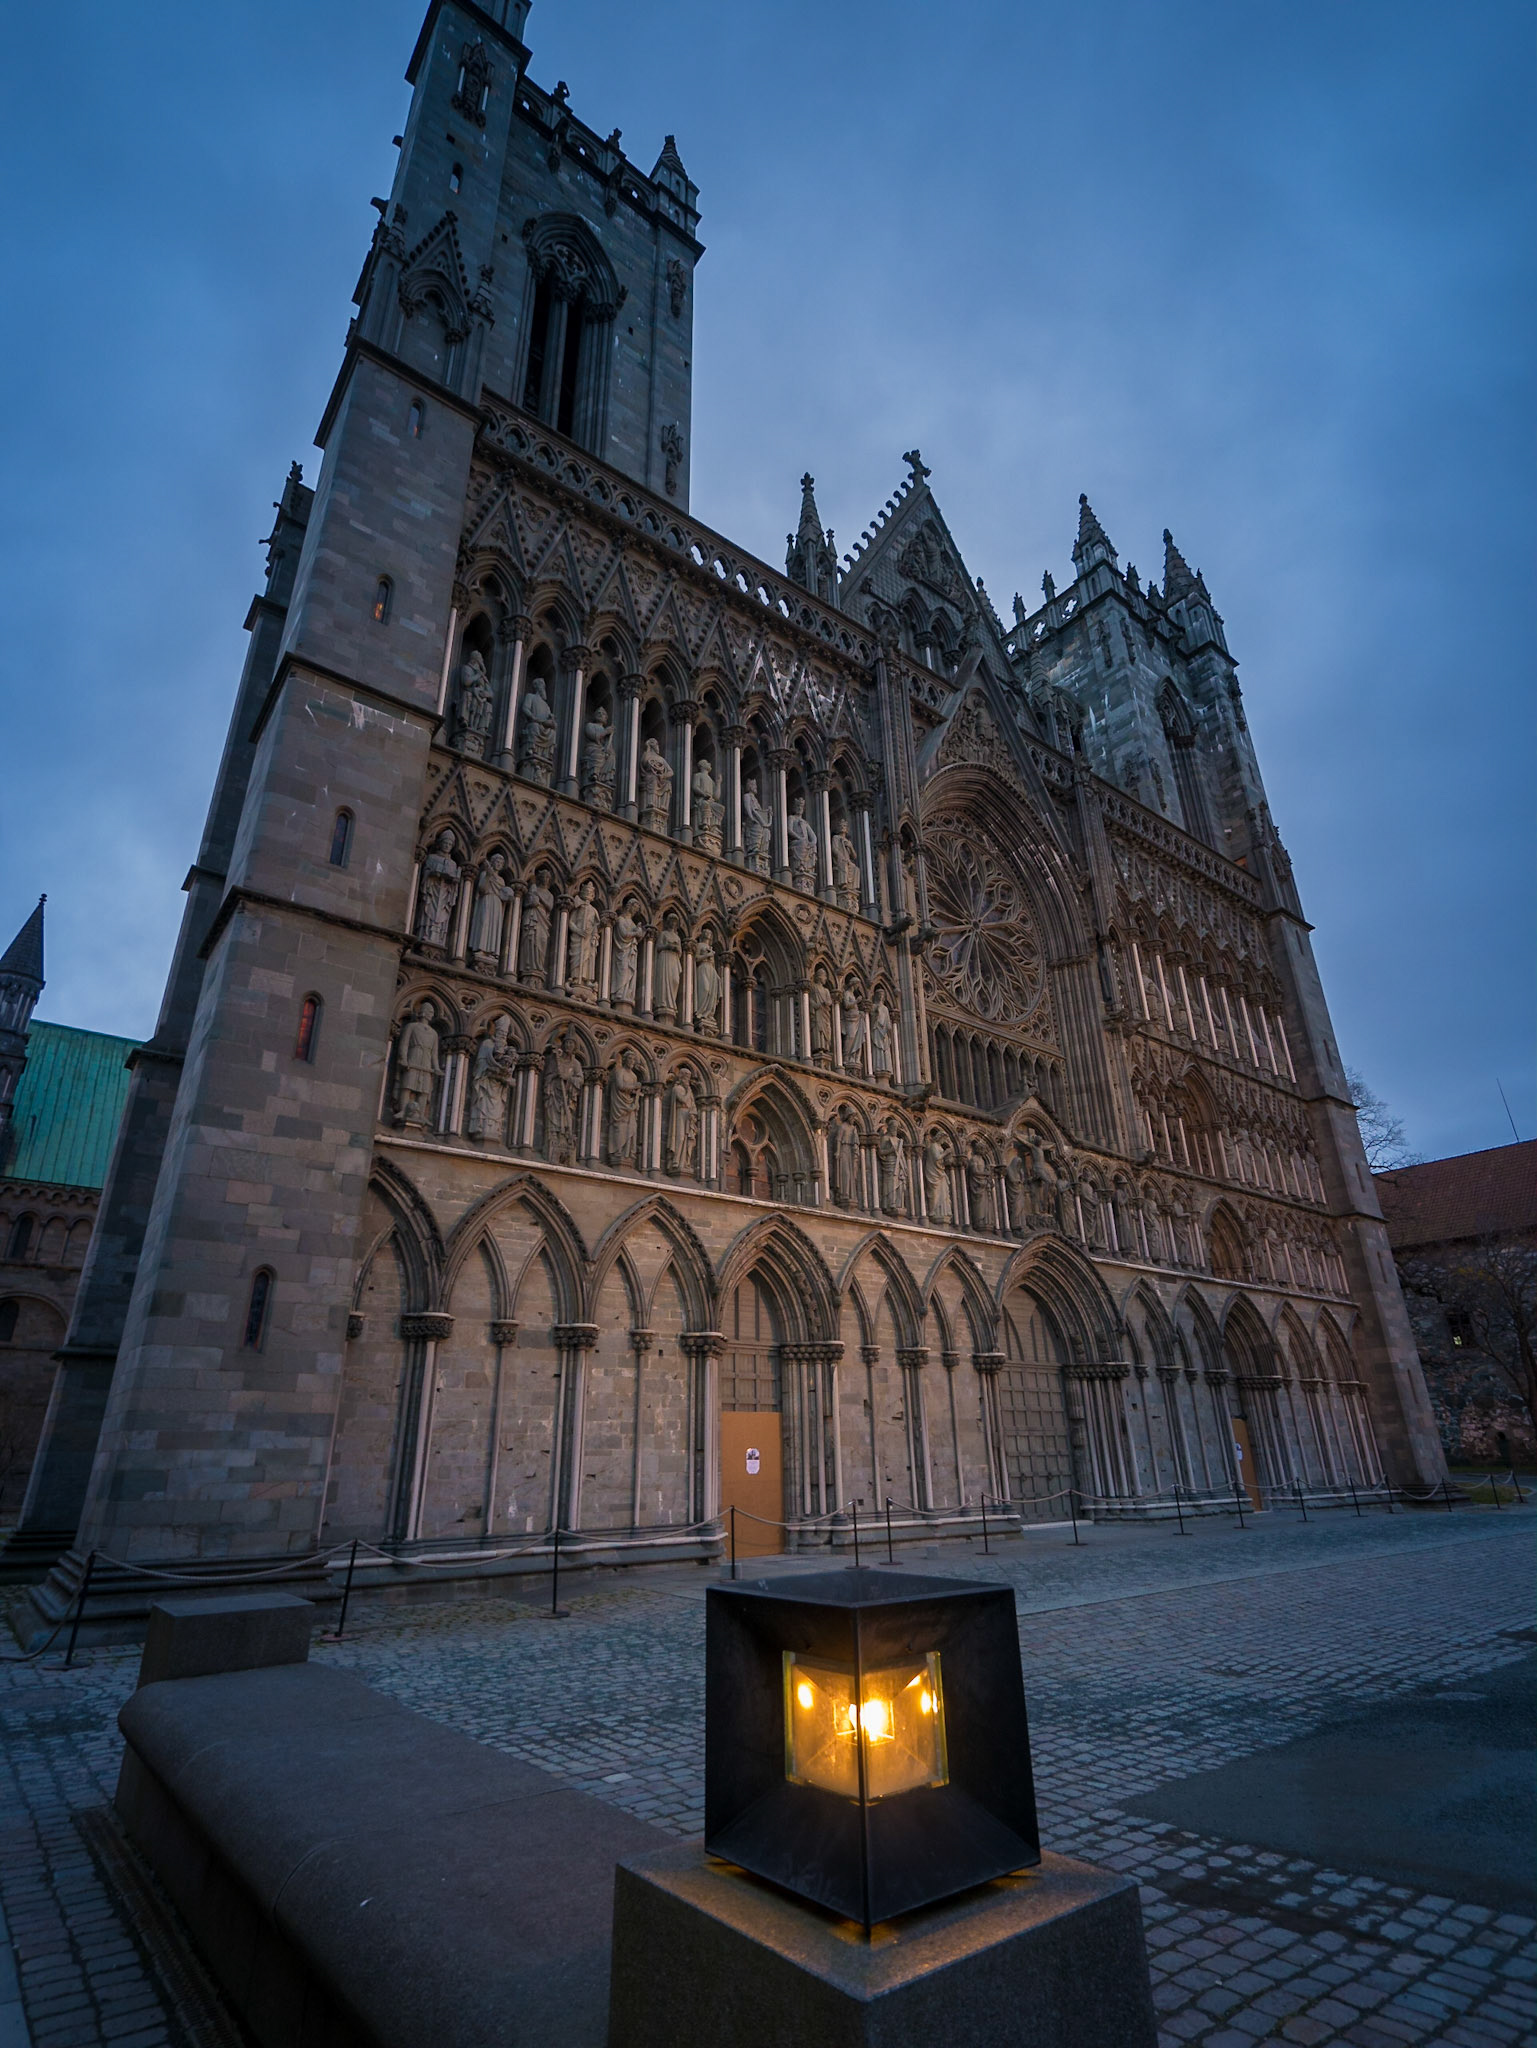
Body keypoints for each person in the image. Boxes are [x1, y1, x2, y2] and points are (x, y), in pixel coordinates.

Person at [392, 1001, 442, 1127]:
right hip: (413, 1057)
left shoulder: (434, 1033)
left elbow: (434, 1054)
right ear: (423, 1012)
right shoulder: (412, 1027)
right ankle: (403, 1110)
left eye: (433, 1012)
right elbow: (404, 1044)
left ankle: (421, 1115)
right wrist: (403, 1058)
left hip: (426, 1062)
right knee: (407, 1085)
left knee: (424, 1090)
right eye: (430, 1011)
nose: (431, 1014)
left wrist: (436, 1068)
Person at [415, 830, 461, 950]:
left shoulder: (452, 864)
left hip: (446, 893)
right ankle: (425, 934)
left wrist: (454, 881)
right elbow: (426, 873)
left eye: (450, 844)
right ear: (440, 844)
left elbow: (455, 882)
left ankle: (439, 938)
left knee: (442, 916)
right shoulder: (432, 857)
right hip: (432, 890)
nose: (447, 846)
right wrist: (434, 873)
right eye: (445, 843)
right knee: (428, 911)